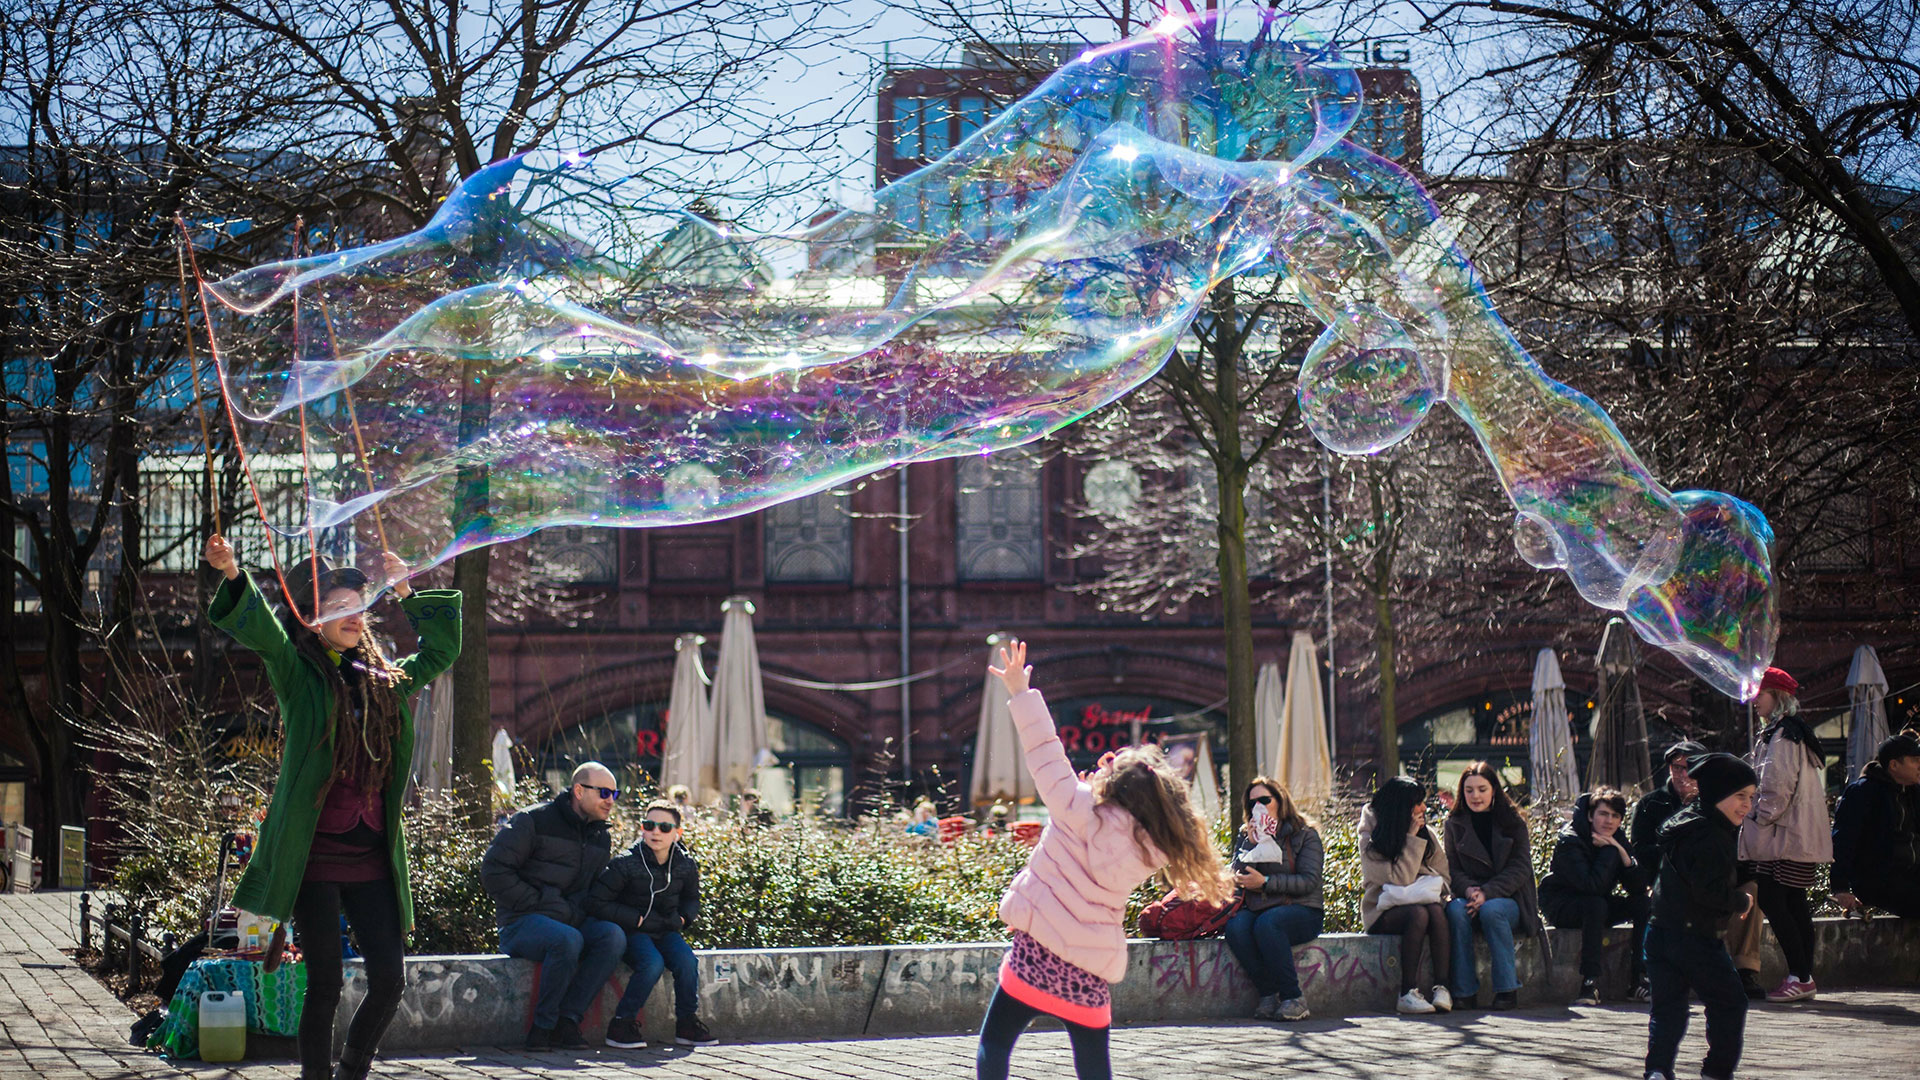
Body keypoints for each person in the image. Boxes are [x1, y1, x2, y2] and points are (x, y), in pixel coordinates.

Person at [202, 537, 461, 1080]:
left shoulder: (386, 680)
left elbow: (441, 651)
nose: (353, 615)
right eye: (338, 607)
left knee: (390, 980)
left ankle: (351, 1072)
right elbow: (266, 635)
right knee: (324, 984)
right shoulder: (298, 675)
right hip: (314, 858)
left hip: (371, 858)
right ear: (311, 621)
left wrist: (407, 591)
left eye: (359, 606)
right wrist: (232, 574)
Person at [977, 639, 1232, 1080]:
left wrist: (1020, 691)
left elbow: (1044, 749)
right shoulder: (1150, 849)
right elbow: (1113, 823)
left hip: (1035, 957)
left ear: (1112, 785)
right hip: (1088, 971)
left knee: (994, 1045)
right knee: (1095, 1068)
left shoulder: (1073, 806)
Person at [481, 762, 627, 1050]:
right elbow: (494, 870)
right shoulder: (533, 821)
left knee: (612, 937)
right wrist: (540, 904)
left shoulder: (601, 836)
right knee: (567, 939)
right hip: (520, 921)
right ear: (578, 791)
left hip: (569, 919)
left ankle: (567, 1021)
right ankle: (542, 1028)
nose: (611, 800)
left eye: (615, 794)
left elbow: (593, 891)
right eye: (604, 792)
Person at [1643, 753, 1758, 1080]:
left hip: (1659, 932)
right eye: (1740, 796)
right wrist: (1741, 900)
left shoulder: (1685, 822)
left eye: (1751, 797)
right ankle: (1716, 1072)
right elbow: (1708, 891)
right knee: (1730, 1003)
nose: (1747, 805)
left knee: (1668, 1010)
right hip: (1696, 938)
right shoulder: (1713, 835)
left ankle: (1657, 1070)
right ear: (1719, 793)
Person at [588, 799, 717, 1050]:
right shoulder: (625, 862)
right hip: (633, 931)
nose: (655, 832)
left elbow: (692, 898)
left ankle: (686, 1025)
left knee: (687, 962)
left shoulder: (685, 864)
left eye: (664, 827)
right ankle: (621, 1024)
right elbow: (596, 901)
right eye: (649, 825)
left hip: (666, 929)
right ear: (642, 828)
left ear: (677, 833)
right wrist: (634, 918)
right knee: (652, 963)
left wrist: (683, 918)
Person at [1737, 666, 1831, 1003]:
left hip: (1784, 836)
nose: (1754, 702)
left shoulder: (1783, 735)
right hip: (1788, 835)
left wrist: (1754, 816)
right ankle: (1803, 976)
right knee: (1793, 901)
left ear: (1777, 696)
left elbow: (1778, 787)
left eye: (1759, 695)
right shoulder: (1784, 732)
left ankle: (1801, 976)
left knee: (1775, 899)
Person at [1442, 762, 1544, 1011]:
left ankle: (1507, 989)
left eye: (1482, 789)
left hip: (1510, 899)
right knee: (1455, 911)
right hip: (1469, 896)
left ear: (1494, 790)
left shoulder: (1513, 822)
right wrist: (1470, 891)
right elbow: (1452, 869)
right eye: (1469, 790)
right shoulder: (1454, 824)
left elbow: (1521, 868)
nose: (1475, 796)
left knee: (1492, 910)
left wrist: (1487, 893)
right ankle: (1464, 992)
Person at [1221, 778, 1324, 1022]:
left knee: (1268, 924)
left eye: (1265, 800)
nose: (1259, 806)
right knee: (1236, 927)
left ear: (1280, 801)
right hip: (1260, 907)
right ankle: (1267, 993)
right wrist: (1250, 844)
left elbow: (1309, 881)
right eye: (1252, 802)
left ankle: (1293, 997)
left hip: (1302, 909)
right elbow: (1236, 876)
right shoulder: (1246, 834)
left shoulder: (1305, 834)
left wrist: (1266, 882)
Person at [1539, 787, 1649, 1005]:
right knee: (1595, 904)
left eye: (1615, 816)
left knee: (1644, 904)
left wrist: (1622, 853)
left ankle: (1639, 980)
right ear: (1590, 816)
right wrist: (1611, 851)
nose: (1609, 821)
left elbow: (1638, 888)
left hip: (1595, 903)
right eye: (1603, 814)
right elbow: (1591, 886)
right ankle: (1589, 983)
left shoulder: (1615, 839)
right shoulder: (1570, 839)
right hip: (1562, 906)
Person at [1359, 776, 1453, 1015]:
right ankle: (1407, 992)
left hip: (1422, 905)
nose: (1424, 808)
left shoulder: (1426, 833)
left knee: (1435, 910)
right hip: (1381, 911)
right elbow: (1400, 878)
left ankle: (1442, 988)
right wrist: (1410, 839)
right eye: (1418, 803)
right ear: (1401, 807)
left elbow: (1444, 877)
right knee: (1419, 913)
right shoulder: (1371, 836)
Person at [1830, 732, 1920, 919]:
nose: (1919, 765)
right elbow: (1843, 839)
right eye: (1915, 761)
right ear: (1894, 765)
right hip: (1879, 880)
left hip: (1911, 875)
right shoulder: (1864, 792)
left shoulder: (1913, 792)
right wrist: (1840, 887)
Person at [1629, 740, 1707, 878]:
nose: (1684, 774)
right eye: (1677, 768)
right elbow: (1639, 851)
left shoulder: (1714, 803)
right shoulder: (1649, 804)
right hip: (1662, 882)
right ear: (1670, 769)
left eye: (1690, 767)